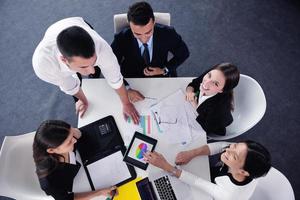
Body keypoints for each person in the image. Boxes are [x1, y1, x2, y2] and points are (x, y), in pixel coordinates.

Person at [32, 17, 139, 123]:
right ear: (64, 60)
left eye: (94, 62)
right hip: (53, 34)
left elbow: (115, 78)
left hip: (78, 24)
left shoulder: (102, 48)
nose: (91, 70)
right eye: (83, 67)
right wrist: (83, 101)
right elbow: (69, 84)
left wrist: (126, 103)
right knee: (76, 80)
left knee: (93, 70)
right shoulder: (44, 67)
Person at [111, 1, 190, 102]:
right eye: (137, 34)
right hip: (131, 79)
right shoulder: (121, 38)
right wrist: (127, 89)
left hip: (160, 77)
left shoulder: (168, 33)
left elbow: (184, 53)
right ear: (130, 26)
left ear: (154, 22)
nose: (144, 39)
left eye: (148, 32)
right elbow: (111, 66)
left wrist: (164, 70)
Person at [144, 141, 271, 200]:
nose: (228, 150)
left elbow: (196, 181)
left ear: (243, 172)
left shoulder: (229, 195)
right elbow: (221, 146)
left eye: (234, 155)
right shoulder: (240, 152)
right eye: (235, 145)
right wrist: (192, 153)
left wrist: (165, 166)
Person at [32, 120, 117, 200]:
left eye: (71, 135)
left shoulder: (67, 141)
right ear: (52, 150)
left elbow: (80, 136)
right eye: (69, 142)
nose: (75, 140)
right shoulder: (49, 182)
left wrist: (73, 132)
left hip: (83, 167)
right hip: (75, 185)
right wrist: (99, 192)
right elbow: (67, 199)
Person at [186, 62, 240, 136]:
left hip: (211, 126)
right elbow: (194, 83)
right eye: (209, 75)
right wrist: (189, 91)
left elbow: (206, 128)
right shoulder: (211, 76)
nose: (206, 83)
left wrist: (195, 106)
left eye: (215, 83)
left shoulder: (219, 110)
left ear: (222, 90)